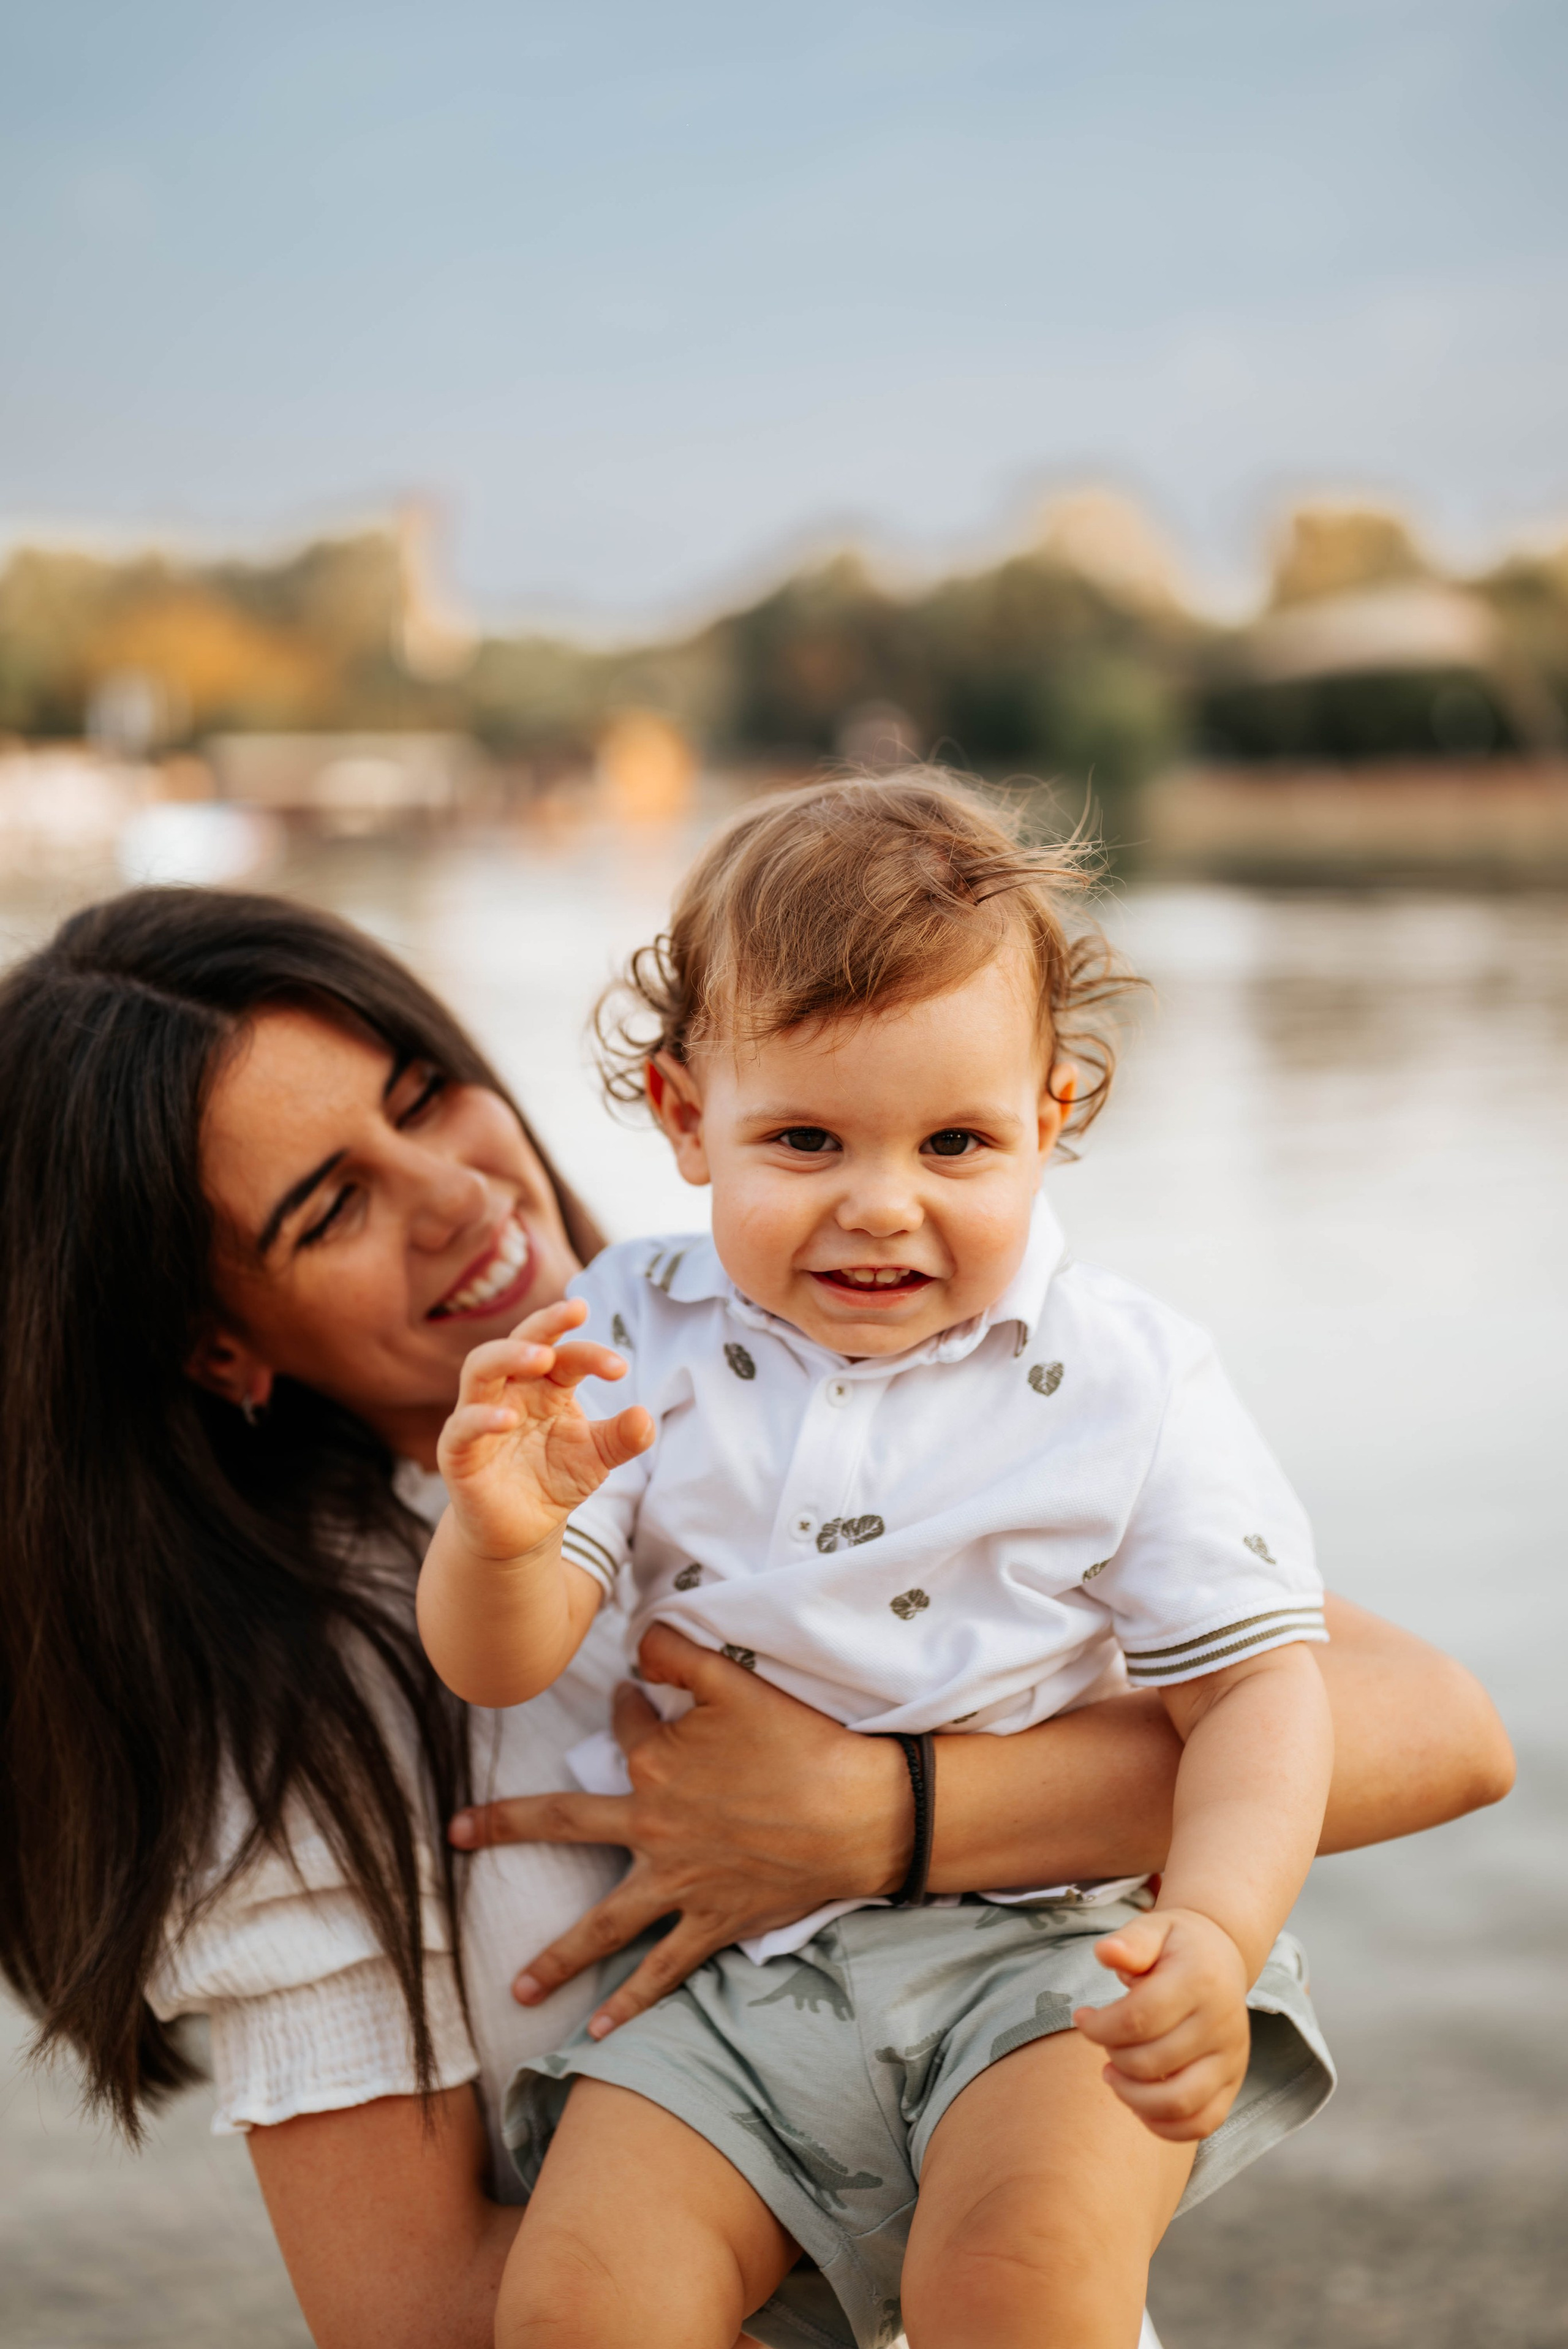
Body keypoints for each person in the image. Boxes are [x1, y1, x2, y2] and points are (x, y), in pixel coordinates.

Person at [0, 883, 1513, 2349]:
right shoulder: (283, 1725)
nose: (460, 1195)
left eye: (425, 1096)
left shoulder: (892, 1354)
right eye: (334, 1206)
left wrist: (882, 1815)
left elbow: (1432, 1727)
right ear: (214, 1345)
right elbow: (422, 2320)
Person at [420, 774, 1407, 2349]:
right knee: (572, 2306)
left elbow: (1258, 1694)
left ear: (1050, 1118)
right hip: (732, 1983)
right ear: (684, 1117)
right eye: (801, 1138)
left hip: (1050, 1942)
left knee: (1017, 2289)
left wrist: (1211, 1936)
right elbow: (501, 1656)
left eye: (957, 1142)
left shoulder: (1125, 1376)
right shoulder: (627, 1324)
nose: (880, 1206)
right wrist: (499, 1534)